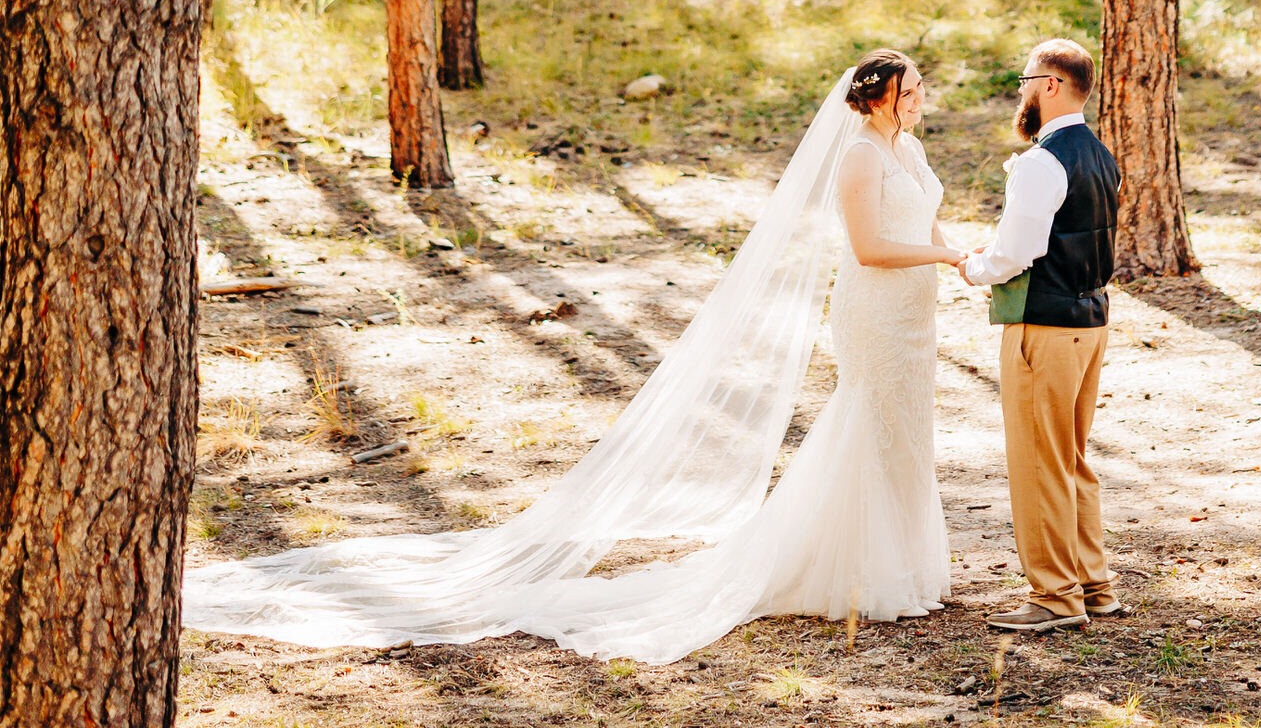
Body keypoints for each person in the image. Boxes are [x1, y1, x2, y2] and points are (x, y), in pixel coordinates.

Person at [184, 51, 964, 662]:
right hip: (877, 309)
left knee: (906, 424)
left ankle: (900, 561)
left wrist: (954, 253)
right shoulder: (860, 156)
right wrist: (942, 256)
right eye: (906, 87)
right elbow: (866, 247)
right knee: (869, 421)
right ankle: (854, 567)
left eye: (919, 85)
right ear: (871, 98)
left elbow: (919, 223)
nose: (918, 95)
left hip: (913, 314)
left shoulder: (908, 149)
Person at [962, 38, 1122, 633]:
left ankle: (1055, 596)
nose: (1022, 92)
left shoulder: (1041, 161)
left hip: (1045, 327)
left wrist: (973, 267)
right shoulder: (1100, 154)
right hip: (1090, 324)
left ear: (1050, 85)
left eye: (1026, 81)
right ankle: (1094, 584)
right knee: (1071, 459)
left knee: (1038, 462)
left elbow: (1016, 252)